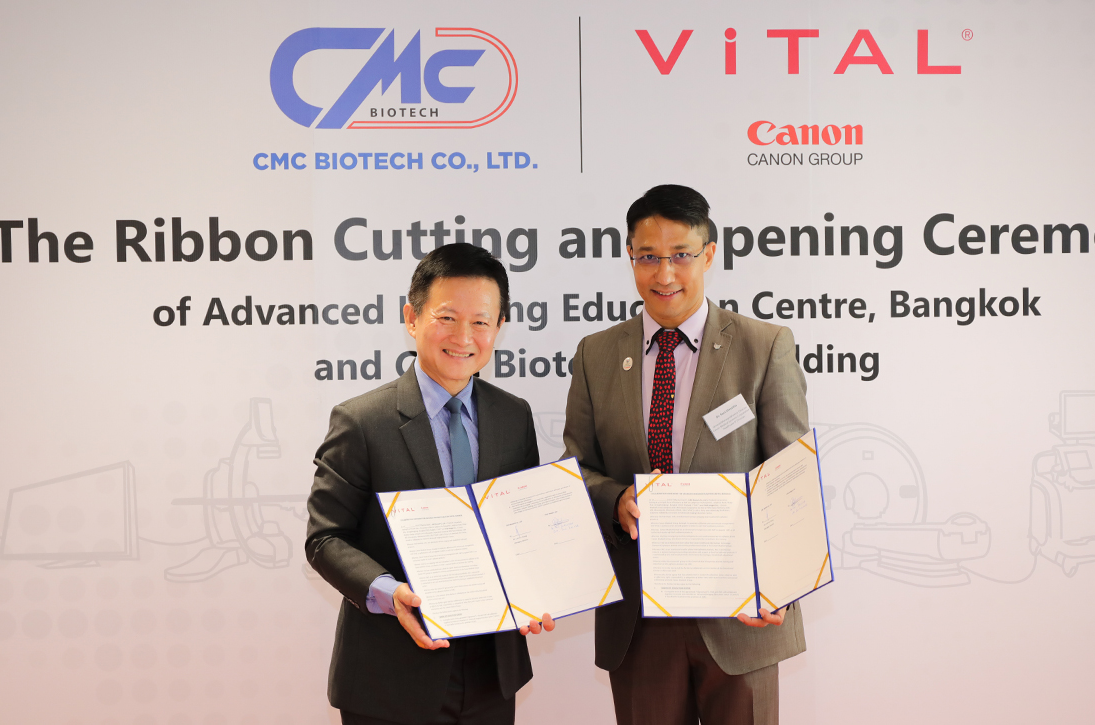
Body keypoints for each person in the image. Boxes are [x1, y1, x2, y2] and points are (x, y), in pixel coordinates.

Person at [563, 185, 811, 725]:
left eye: (681, 255)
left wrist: (782, 583)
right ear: (630, 257)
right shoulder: (595, 355)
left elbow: (789, 477)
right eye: (648, 257)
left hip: (741, 613)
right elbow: (577, 469)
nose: (665, 273)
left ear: (709, 255)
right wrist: (615, 499)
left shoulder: (764, 346)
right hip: (640, 618)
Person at [307, 243, 555, 725]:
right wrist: (389, 593)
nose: (464, 337)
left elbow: (522, 529)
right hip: (389, 677)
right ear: (412, 318)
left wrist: (537, 587)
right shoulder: (362, 421)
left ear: (499, 327)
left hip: (491, 673)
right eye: (447, 318)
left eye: (481, 321)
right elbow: (325, 538)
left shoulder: (514, 416)